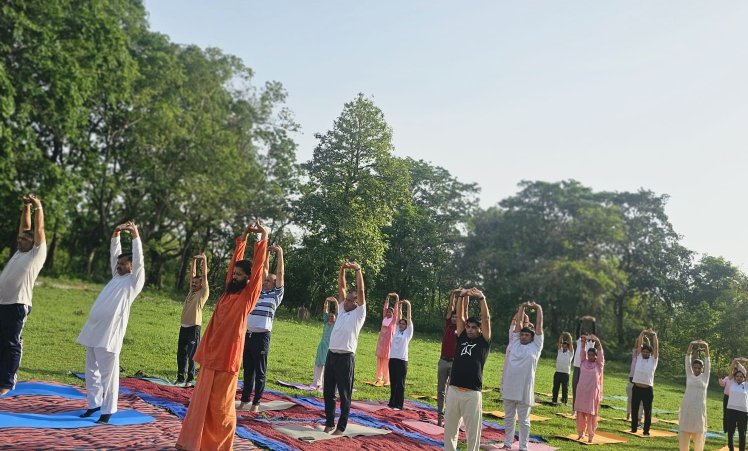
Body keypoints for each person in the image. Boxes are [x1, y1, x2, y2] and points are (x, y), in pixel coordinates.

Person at [176, 221, 268, 451]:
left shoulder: (248, 295)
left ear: (248, 278)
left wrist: (263, 237)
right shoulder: (228, 291)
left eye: (239, 275)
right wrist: (243, 237)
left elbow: (258, 269)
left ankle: (219, 447)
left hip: (227, 357)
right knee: (201, 402)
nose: (234, 277)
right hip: (209, 354)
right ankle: (193, 443)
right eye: (234, 273)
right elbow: (234, 263)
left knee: (221, 407)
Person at [77, 221, 145, 423]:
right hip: (93, 329)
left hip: (109, 333)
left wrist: (135, 235)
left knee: (108, 373)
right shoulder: (116, 277)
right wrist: (116, 234)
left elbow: (139, 259)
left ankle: (108, 410)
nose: (118, 265)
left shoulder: (134, 282)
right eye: (118, 264)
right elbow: (114, 253)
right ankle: (94, 404)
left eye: (123, 264)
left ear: (131, 266)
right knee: (91, 370)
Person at [0, 195, 46, 396]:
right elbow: (24, 227)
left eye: (24, 239)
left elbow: (38, 229)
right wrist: (26, 206)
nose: (20, 240)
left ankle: (7, 383)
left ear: (33, 242)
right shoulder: (20, 252)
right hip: (2, 304)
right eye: (19, 239)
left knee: (11, 344)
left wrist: (38, 206)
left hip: (18, 305)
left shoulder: (36, 253)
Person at [444, 287, 491, 451]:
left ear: (479, 329)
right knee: (450, 429)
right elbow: (460, 315)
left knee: (473, 433)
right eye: (468, 326)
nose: (470, 329)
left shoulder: (483, 342)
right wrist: (462, 296)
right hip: (454, 389)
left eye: (474, 327)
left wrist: (482, 299)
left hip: (472, 393)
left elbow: (486, 319)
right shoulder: (462, 336)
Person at [239, 244, 284, 412]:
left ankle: (256, 403)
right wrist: (265, 254)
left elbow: (280, 273)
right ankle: (245, 400)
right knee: (248, 370)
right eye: (264, 280)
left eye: (269, 281)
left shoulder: (276, 295)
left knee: (260, 371)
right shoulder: (257, 292)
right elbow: (263, 270)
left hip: (262, 337)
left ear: (275, 284)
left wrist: (279, 253)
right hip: (248, 335)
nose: (265, 282)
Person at [324, 261, 366, 435]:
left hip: (346, 358)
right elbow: (341, 286)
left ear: (356, 302)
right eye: (346, 299)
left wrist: (357, 270)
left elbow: (361, 290)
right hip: (331, 355)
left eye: (350, 300)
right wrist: (342, 269)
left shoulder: (359, 313)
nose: (346, 302)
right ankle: (329, 423)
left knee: (344, 394)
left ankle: (341, 427)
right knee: (328, 392)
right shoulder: (341, 309)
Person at [502, 301, 544, 451]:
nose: (524, 336)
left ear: (532, 337)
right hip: (509, 387)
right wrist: (521, 308)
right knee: (508, 417)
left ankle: (523, 447)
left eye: (527, 335)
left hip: (525, 390)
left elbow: (539, 327)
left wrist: (538, 308)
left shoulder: (536, 347)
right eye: (522, 334)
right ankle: (507, 444)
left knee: (524, 420)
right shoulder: (515, 342)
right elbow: (518, 324)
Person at [176, 253, 209, 387]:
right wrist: (194, 260)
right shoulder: (191, 291)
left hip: (194, 327)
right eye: (193, 283)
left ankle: (190, 379)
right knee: (181, 353)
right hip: (183, 327)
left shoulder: (202, 293)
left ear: (202, 285)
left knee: (192, 355)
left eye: (196, 283)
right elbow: (192, 275)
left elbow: (204, 276)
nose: (194, 284)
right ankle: (180, 378)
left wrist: (204, 260)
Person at [678, 340, 710, 451]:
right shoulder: (689, 375)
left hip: (699, 409)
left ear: (702, 369)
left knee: (699, 433)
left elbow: (708, 361)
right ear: (692, 367)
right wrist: (691, 344)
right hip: (687, 407)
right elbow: (687, 359)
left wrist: (706, 346)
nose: (697, 369)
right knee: (684, 431)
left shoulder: (705, 377)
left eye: (699, 368)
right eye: (695, 367)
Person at [437, 288, 461, 426]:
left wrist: (462, 297)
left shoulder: (461, 329)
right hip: (443, 361)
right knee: (440, 390)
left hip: (454, 363)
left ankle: (449, 416)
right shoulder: (448, 325)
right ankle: (440, 415)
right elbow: (450, 308)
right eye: (452, 317)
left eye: (456, 317)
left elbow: (461, 312)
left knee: (451, 391)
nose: (453, 318)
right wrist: (452, 294)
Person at [574, 334, 604, 443]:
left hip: (592, 394)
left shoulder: (599, 365)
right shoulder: (583, 362)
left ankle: (591, 435)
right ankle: (580, 433)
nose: (590, 356)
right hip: (581, 392)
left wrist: (597, 342)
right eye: (589, 354)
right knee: (580, 414)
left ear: (596, 356)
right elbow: (582, 351)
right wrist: (583, 341)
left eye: (593, 355)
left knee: (591, 415)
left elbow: (601, 353)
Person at [630, 328, 659, 436]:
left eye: (647, 352)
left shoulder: (653, 360)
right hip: (637, 387)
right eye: (644, 351)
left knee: (647, 411)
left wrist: (654, 335)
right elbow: (639, 343)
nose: (645, 353)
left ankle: (646, 430)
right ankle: (633, 428)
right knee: (634, 408)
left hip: (647, 389)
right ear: (641, 352)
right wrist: (643, 332)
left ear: (650, 353)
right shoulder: (639, 357)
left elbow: (656, 347)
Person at [388, 299, 413, 410]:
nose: (401, 325)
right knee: (393, 381)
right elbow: (398, 317)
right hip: (393, 359)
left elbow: (409, 318)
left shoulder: (408, 333)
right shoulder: (397, 330)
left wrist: (408, 305)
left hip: (402, 360)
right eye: (401, 323)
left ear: (407, 326)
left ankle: (399, 404)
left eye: (404, 324)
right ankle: (392, 402)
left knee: (400, 383)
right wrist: (399, 306)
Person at [312, 297, 339, 389]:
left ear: (335, 318)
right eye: (330, 316)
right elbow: (325, 311)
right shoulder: (326, 323)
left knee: (327, 365)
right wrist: (326, 301)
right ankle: (317, 382)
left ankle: (326, 383)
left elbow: (338, 312)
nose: (331, 317)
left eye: (332, 316)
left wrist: (336, 302)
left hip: (330, 346)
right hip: (322, 345)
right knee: (318, 363)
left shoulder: (336, 325)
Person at [374, 292, 400, 386]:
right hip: (381, 343)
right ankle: (378, 378)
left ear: (393, 314)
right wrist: (388, 297)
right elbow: (384, 308)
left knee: (386, 362)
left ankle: (386, 380)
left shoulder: (393, 321)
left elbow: (396, 311)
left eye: (390, 312)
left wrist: (396, 298)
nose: (388, 313)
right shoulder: (384, 318)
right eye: (388, 312)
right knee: (379, 361)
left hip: (388, 344)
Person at [572, 315, 596, 414]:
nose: (584, 336)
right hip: (577, 367)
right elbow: (577, 331)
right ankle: (574, 408)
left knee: (585, 389)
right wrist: (580, 321)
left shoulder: (591, 343)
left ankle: (585, 408)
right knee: (575, 387)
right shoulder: (579, 341)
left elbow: (594, 333)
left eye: (586, 335)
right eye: (583, 335)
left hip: (586, 369)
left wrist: (593, 322)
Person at [725, 362, 748, 451]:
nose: (739, 378)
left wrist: (744, 363)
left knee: (742, 433)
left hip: (743, 412)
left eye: (741, 376)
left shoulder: (746, 385)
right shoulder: (732, 382)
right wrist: (734, 361)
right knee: (730, 432)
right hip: (731, 410)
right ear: (735, 377)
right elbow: (730, 370)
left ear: (744, 378)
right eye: (737, 376)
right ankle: (731, 449)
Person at [626, 336, 649, 424]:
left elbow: (648, 349)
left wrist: (647, 341)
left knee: (641, 402)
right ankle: (628, 414)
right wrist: (640, 337)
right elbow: (636, 346)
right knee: (630, 399)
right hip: (632, 381)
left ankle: (639, 418)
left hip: (641, 382)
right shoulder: (635, 357)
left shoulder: (646, 360)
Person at [552, 331, 574, 405]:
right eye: (563, 345)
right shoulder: (560, 351)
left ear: (568, 346)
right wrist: (561, 335)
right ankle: (554, 400)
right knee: (555, 387)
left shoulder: (570, 353)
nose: (564, 346)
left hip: (565, 373)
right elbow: (559, 342)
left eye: (566, 345)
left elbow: (571, 343)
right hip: (557, 372)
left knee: (565, 388)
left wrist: (569, 336)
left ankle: (564, 401)